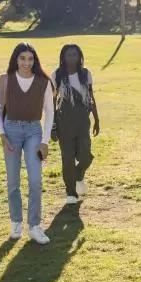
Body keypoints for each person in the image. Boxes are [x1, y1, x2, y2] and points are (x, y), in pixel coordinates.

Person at [0, 42, 55, 244]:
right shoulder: (4, 80)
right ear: (15, 59)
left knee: (35, 180)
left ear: (34, 60)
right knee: (13, 182)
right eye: (22, 58)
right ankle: (16, 222)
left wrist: (45, 142)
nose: (26, 63)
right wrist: (2, 134)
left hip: (33, 131)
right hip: (11, 130)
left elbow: (50, 112)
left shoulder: (43, 82)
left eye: (30, 58)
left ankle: (35, 226)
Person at [51, 44, 99, 205]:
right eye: (68, 55)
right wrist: (52, 125)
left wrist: (97, 119)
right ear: (63, 57)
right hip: (64, 122)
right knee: (68, 159)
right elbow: (51, 101)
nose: (71, 58)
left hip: (82, 122)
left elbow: (91, 97)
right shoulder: (57, 75)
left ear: (79, 57)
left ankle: (78, 176)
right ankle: (70, 192)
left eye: (75, 55)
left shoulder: (86, 74)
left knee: (85, 156)